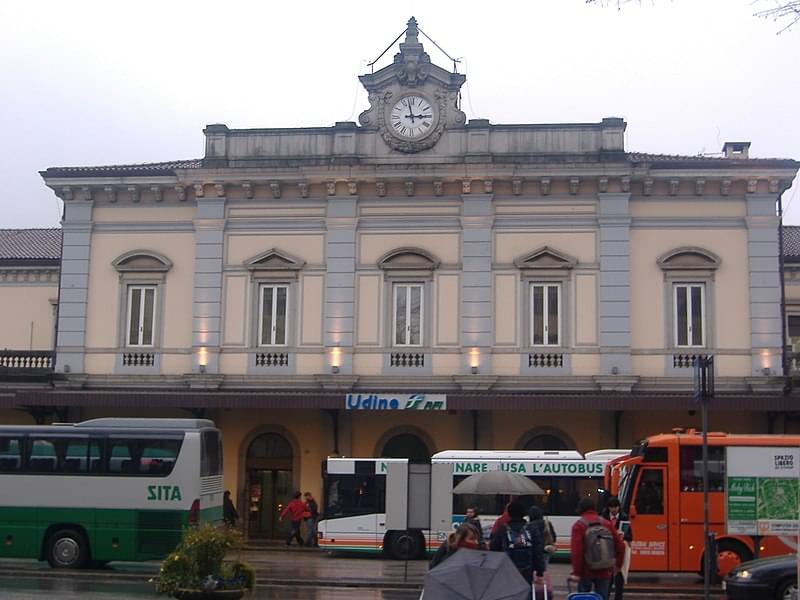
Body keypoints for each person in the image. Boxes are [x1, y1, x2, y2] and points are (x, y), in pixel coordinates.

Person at [570, 497, 625, 600]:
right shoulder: (606, 523)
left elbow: (577, 551)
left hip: (586, 570)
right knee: (602, 597)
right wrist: (618, 566)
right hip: (605, 569)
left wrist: (576, 572)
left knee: (583, 597)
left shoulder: (579, 525)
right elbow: (621, 546)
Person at [490, 500, 545, 596]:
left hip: (507, 570)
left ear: (509, 513)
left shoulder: (502, 529)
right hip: (527, 570)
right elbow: (538, 551)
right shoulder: (531, 528)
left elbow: (494, 549)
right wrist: (540, 572)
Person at [602, 496, 633, 600]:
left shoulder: (624, 518)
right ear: (608, 508)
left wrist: (623, 535)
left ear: (619, 507)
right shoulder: (604, 517)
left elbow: (630, 536)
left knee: (619, 578)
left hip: (620, 551)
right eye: (612, 507)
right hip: (608, 551)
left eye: (616, 507)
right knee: (607, 578)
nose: (614, 510)